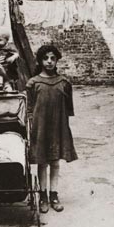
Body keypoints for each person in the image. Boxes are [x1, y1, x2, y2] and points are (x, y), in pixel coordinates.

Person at [26, 45, 77, 214]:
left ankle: (54, 195)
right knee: (43, 161)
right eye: (45, 58)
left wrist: (63, 127)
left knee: (55, 161)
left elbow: (68, 109)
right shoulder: (33, 83)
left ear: (56, 61)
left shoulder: (64, 83)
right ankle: (43, 196)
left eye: (52, 58)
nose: (49, 62)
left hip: (58, 126)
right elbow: (29, 108)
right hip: (40, 127)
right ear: (40, 61)